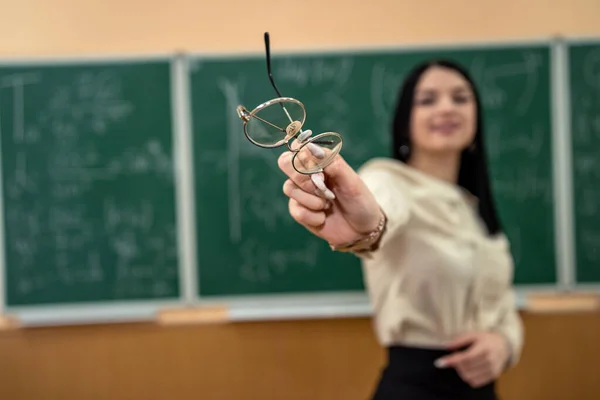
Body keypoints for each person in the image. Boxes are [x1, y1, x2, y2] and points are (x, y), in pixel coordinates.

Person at [277, 59, 524, 399]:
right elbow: (380, 214)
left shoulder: (473, 208)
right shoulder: (387, 180)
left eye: (460, 98)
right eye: (427, 100)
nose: (446, 108)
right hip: (416, 388)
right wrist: (365, 227)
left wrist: (506, 344)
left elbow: (503, 305)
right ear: (405, 120)